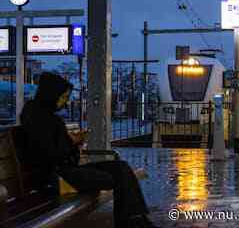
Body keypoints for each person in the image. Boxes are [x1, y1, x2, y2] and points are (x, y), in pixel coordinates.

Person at [19, 72, 159, 228]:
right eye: (63, 97)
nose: (65, 103)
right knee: (119, 178)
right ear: (51, 94)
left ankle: (135, 220)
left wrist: (72, 143)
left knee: (121, 167)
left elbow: (58, 150)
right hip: (56, 177)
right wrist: (73, 143)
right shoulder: (41, 118)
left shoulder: (42, 115)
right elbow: (52, 154)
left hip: (65, 170)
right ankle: (132, 222)